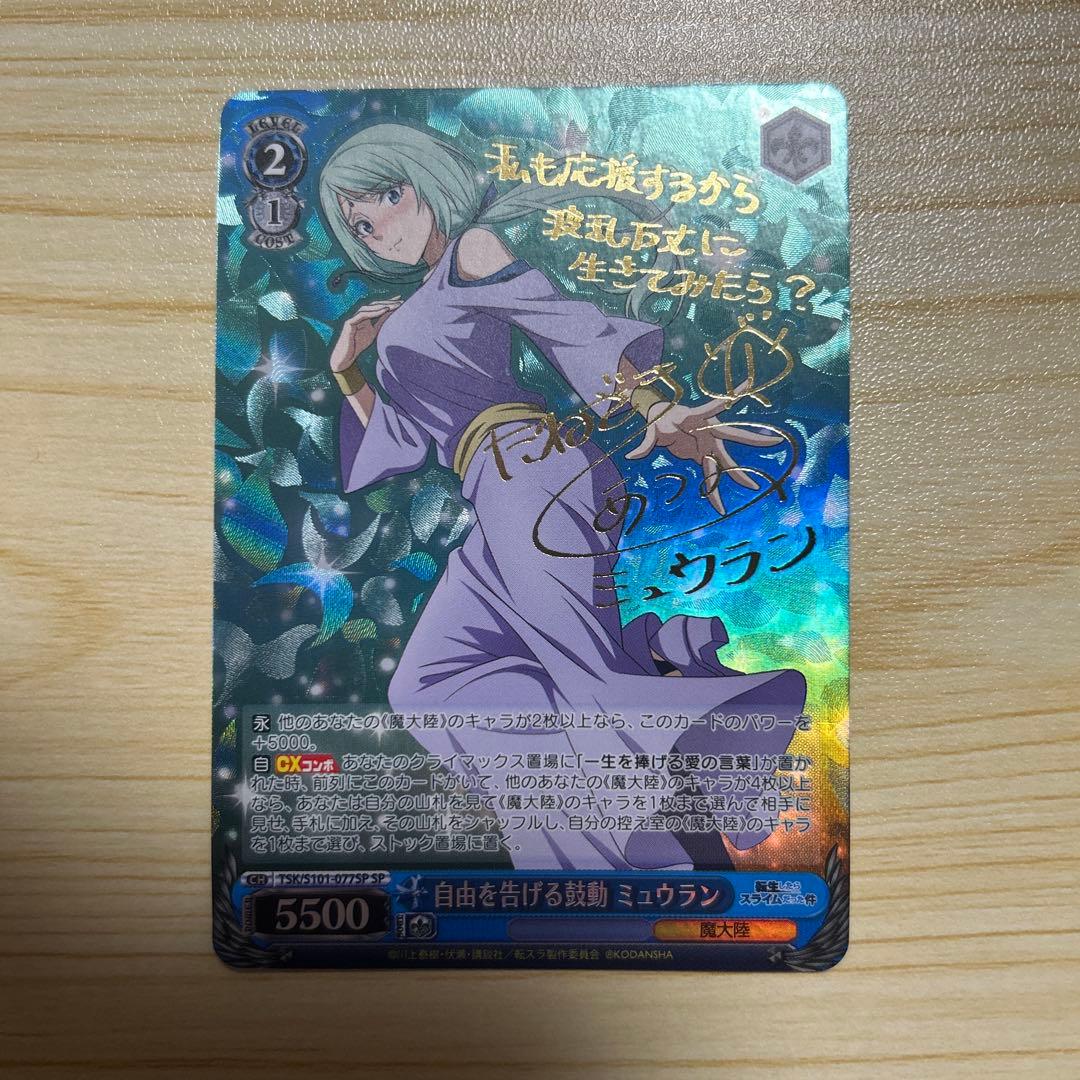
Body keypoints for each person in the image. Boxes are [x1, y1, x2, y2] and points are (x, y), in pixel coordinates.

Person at [320, 124, 806, 871]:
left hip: (533, 474)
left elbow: (566, 327)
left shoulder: (472, 251)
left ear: (424, 179)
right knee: (431, 684)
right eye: (358, 223)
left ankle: (713, 782)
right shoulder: (410, 307)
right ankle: (598, 834)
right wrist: (349, 372)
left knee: (587, 677)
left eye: (386, 195)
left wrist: (652, 408)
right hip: (492, 496)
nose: (377, 227)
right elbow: (403, 442)